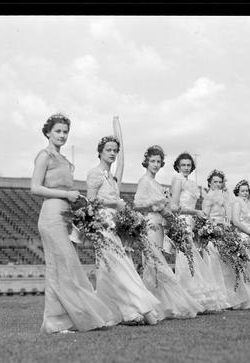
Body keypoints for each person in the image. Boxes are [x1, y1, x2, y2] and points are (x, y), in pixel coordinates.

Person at [31, 113, 119, 333]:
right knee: (63, 266)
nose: (62, 135)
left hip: (65, 216)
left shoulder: (65, 161)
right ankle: (57, 322)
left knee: (64, 268)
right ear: (48, 133)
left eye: (65, 132)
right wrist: (66, 194)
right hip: (51, 215)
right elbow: (35, 187)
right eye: (58, 131)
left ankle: (59, 321)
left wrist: (75, 202)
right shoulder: (44, 156)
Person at [86, 118, 161, 326]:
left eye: (114, 150)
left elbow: (123, 161)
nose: (112, 153)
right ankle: (136, 309)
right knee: (116, 267)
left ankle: (127, 311)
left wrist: (119, 134)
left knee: (118, 267)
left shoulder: (113, 176)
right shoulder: (94, 173)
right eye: (108, 149)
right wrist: (114, 203)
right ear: (100, 151)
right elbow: (90, 201)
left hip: (116, 225)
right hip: (102, 225)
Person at [133, 145, 203, 319]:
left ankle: (156, 306)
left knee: (154, 266)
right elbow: (137, 205)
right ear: (146, 162)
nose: (156, 164)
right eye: (153, 161)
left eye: (158, 161)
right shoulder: (144, 181)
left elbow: (168, 206)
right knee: (154, 264)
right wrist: (154, 206)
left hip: (160, 227)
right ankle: (149, 306)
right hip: (150, 224)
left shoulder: (157, 183)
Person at [170, 152, 227, 311]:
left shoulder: (191, 182)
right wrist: (195, 213)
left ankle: (194, 300)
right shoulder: (177, 180)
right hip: (182, 221)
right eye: (183, 165)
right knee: (184, 257)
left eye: (189, 165)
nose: (186, 168)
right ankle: (183, 300)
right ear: (178, 166)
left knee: (191, 258)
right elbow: (173, 207)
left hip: (191, 222)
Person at [202, 170, 250, 309]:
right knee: (215, 267)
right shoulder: (208, 198)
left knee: (228, 268)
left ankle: (232, 299)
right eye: (215, 182)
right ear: (209, 183)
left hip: (225, 233)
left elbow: (229, 218)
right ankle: (218, 301)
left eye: (220, 182)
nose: (218, 184)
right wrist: (211, 230)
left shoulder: (225, 199)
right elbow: (204, 217)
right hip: (213, 234)